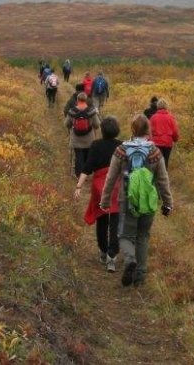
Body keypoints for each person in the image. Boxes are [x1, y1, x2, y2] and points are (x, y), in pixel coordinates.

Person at [100, 114, 173, 287]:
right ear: (148, 130)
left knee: (124, 235)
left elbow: (111, 177)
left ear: (132, 129)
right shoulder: (155, 152)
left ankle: (130, 259)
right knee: (143, 236)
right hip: (148, 201)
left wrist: (105, 200)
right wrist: (168, 202)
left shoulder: (121, 150)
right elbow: (163, 180)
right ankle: (140, 276)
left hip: (127, 200)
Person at [74, 116, 123, 272]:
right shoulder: (122, 146)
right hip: (117, 186)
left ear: (102, 130)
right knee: (116, 221)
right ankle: (112, 256)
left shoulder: (95, 145)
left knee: (101, 220)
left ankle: (103, 250)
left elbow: (87, 167)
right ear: (117, 131)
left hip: (100, 187)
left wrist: (79, 186)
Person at [65, 92, 101, 178]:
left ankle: (77, 175)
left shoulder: (72, 111)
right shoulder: (91, 111)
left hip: (76, 139)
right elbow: (97, 125)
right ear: (86, 100)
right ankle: (86, 174)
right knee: (87, 157)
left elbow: (66, 124)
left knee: (78, 157)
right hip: (89, 140)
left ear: (77, 100)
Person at [148, 98, 179, 168]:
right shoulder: (171, 117)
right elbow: (175, 131)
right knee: (165, 162)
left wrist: (149, 142)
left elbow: (149, 131)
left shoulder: (153, 118)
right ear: (166, 106)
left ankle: (156, 173)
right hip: (167, 144)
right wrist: (175, 139)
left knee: (156, 163)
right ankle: (165, 173)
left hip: (156, 144)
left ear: (157, 106)